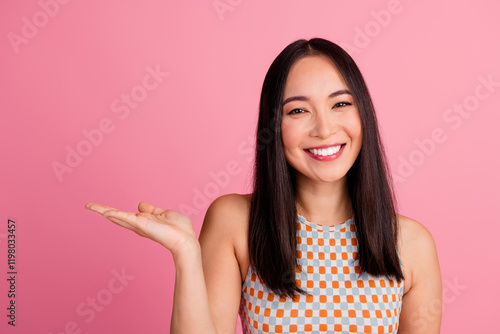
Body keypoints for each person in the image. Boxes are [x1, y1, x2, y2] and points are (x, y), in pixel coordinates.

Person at [85, 38, 442, 333]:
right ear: (273, 127)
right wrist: (185, 253)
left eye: (341, 104)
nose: (324, 129)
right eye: (298, 111)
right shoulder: (235, 221)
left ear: (363, 113)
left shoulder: (411, 244)